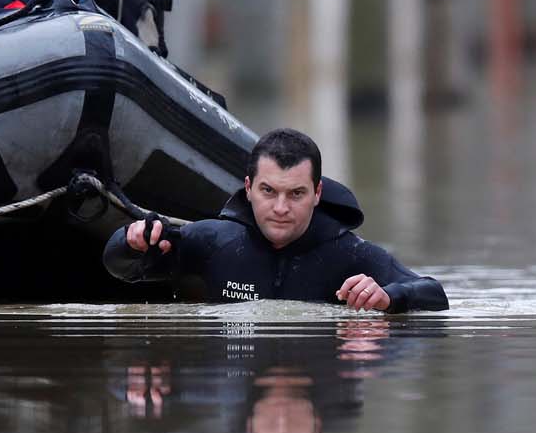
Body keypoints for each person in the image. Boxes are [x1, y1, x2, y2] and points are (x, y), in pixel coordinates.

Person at [103, 127, 450, 312]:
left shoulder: (350, 255)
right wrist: (132, 242)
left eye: (296, 194)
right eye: (269, 191)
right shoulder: (214, 241)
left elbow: (434, 296)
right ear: (249, 188)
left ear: (317, 193)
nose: (281, 207)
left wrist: (388, 298)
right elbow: (117, 266)